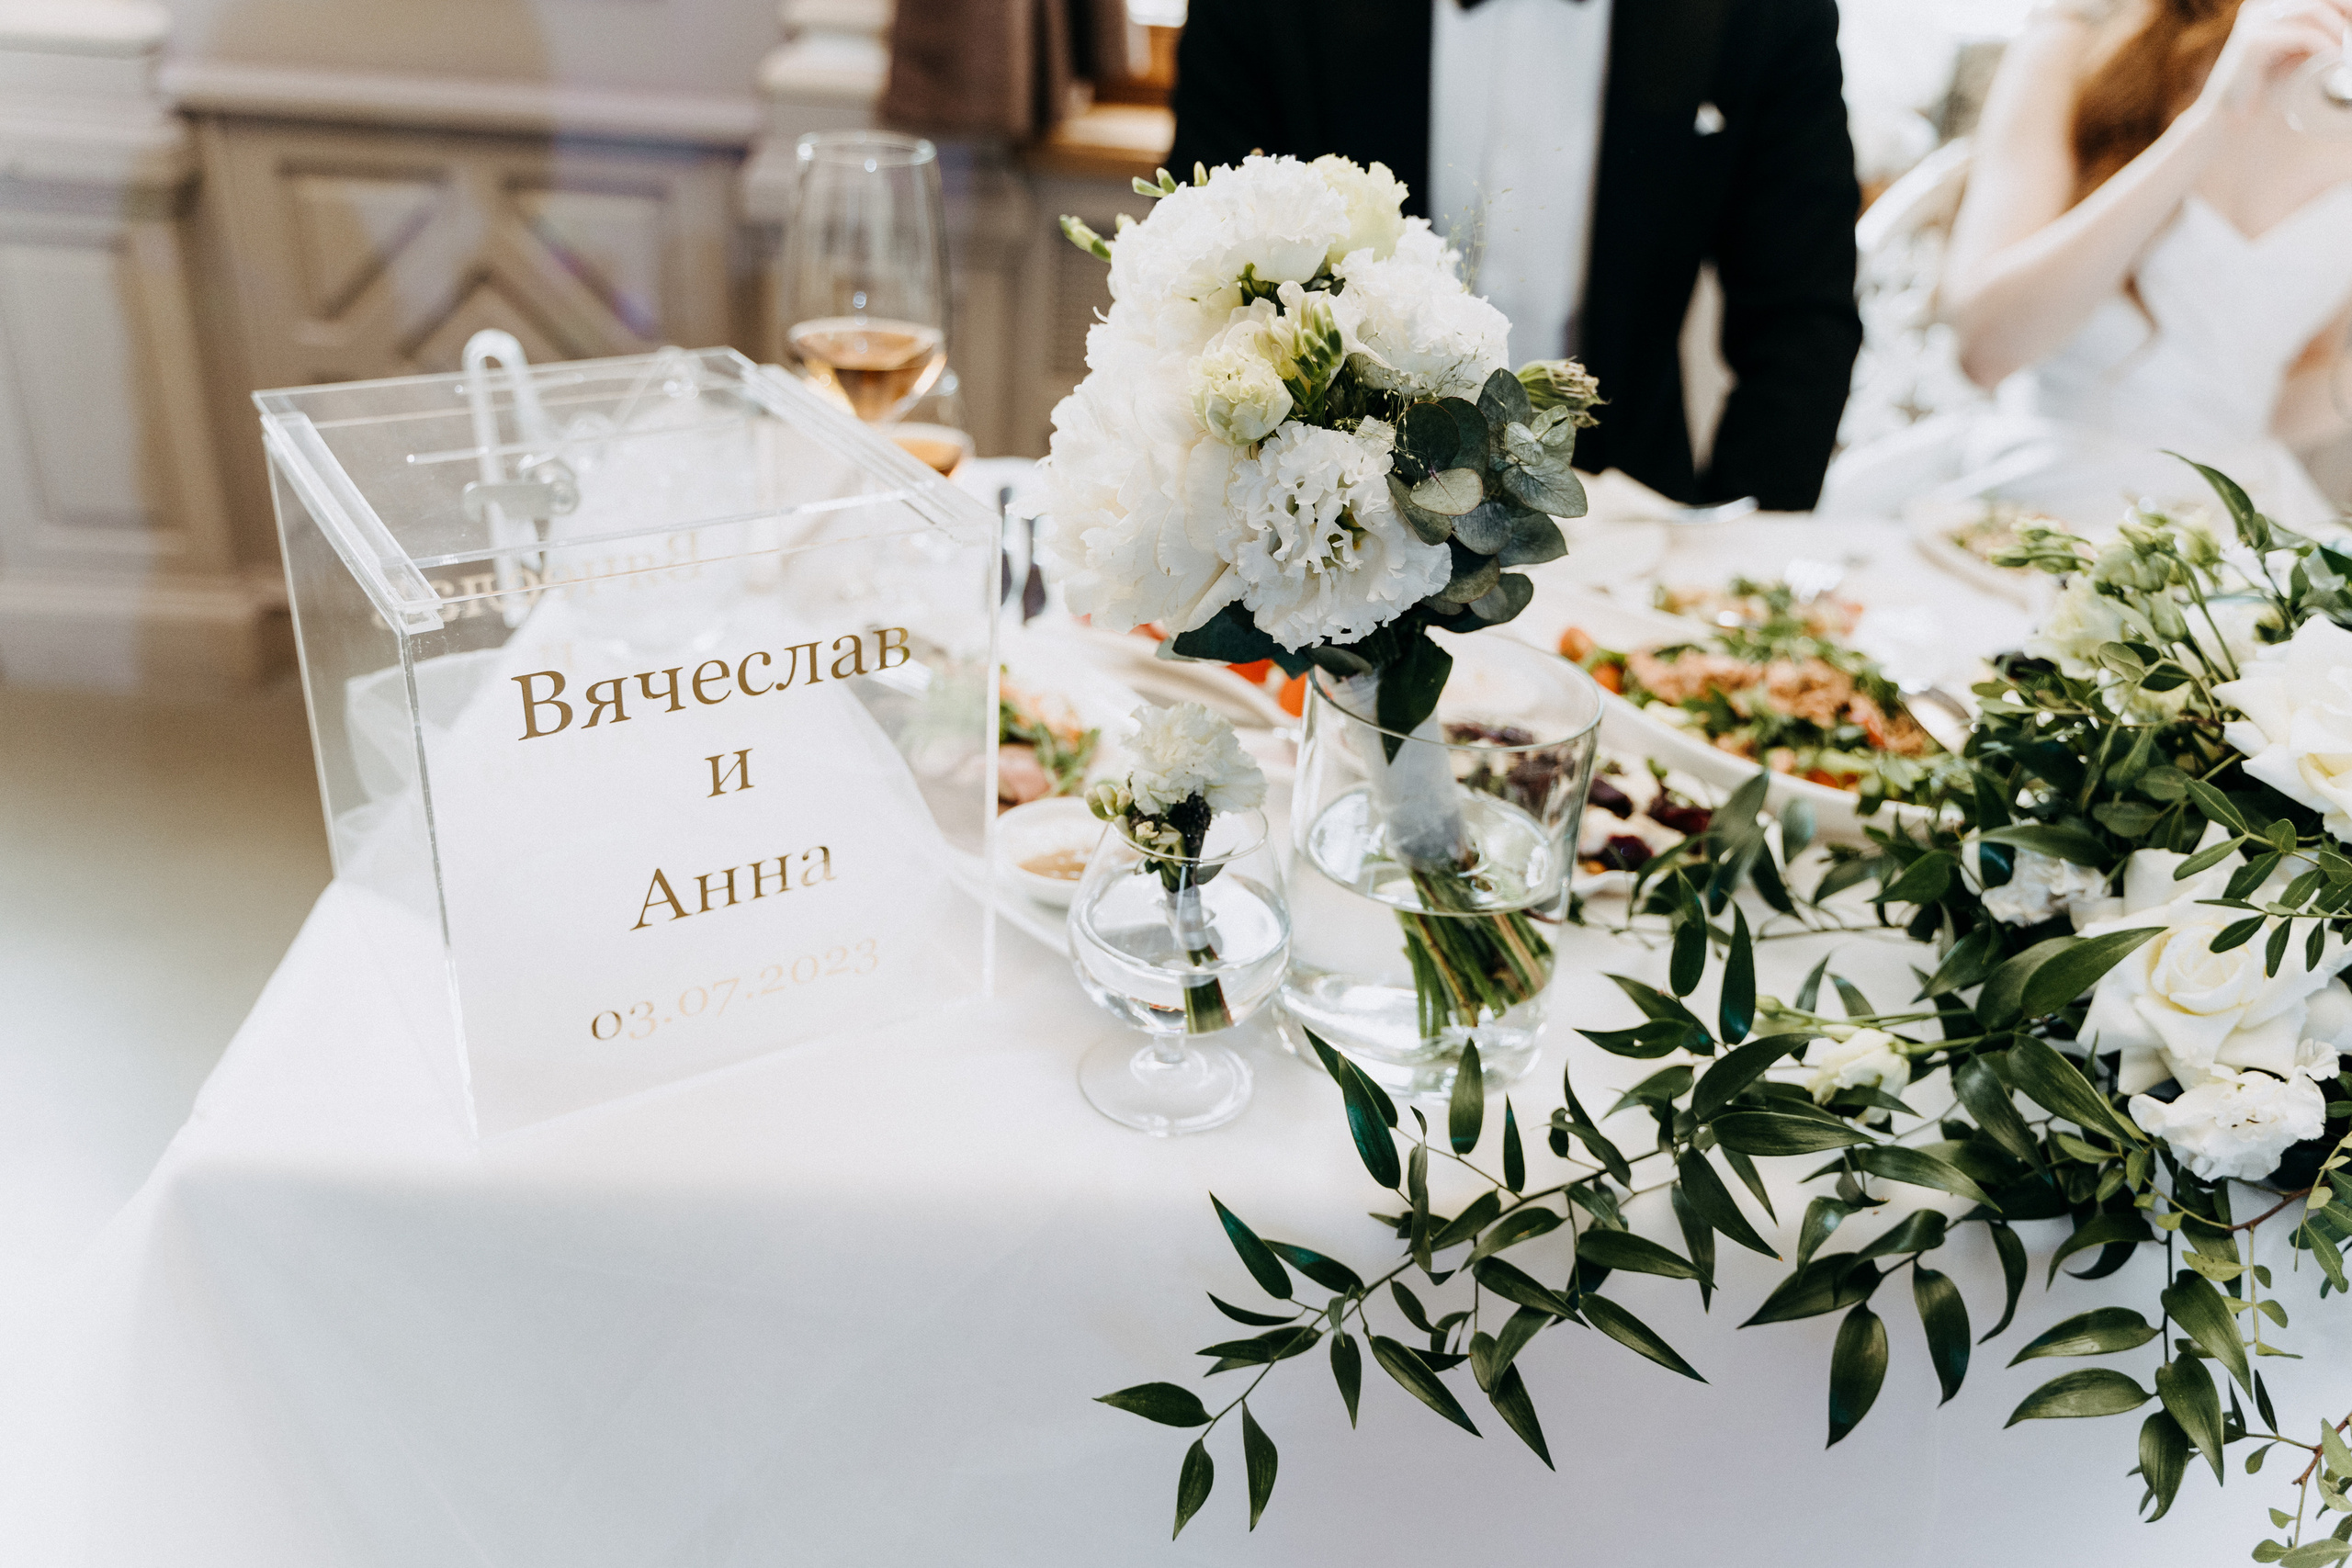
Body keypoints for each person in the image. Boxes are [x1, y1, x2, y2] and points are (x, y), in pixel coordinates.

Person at [1167, 0, 1865, 513]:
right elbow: (1196, 277)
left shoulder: (1767, 15)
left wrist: (1734, 568)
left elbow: (1802, 318)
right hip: (1320, 525)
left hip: (1621, 532)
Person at [1823, 0, 2352, 530]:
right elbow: (1985, 351)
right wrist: (2209, 124)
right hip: (2035, 490)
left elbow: (2275, 405)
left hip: (2225, 512)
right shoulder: (2078, 34)